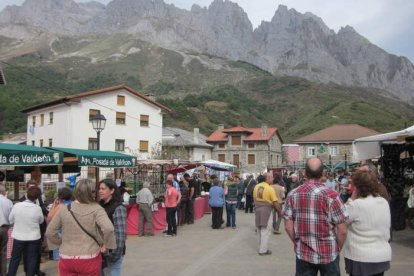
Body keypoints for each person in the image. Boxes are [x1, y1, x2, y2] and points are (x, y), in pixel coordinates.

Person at [283, 157, 348, 276]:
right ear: (323, 173)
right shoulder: (332, 196)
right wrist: (338, 248)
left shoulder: (293, 194)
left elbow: (288, 226)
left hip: (304, 252)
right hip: (329, 253)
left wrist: (296, 243)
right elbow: (342, 230)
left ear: (304, 173)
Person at [46, 179, 116, 276]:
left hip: (67, 257)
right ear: (91, 192)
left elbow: (50, 232)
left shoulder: (64, 209)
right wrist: (106, 245)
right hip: (89, 257)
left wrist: (61, 242)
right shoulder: (97, 209)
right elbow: (109, 229)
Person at [344, 170, 392, 276]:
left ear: (357, 187)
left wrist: (352, 198)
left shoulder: (356, 205)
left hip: (361, 257)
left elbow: (342, 218)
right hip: (381, 255)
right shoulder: (383, 202)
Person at [7, 186, 44, 276]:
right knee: (32, 258)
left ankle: (11, 274)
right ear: (37, 197)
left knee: (15, 258)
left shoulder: (17, 205)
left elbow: (10, 220)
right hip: (33, 237)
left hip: (19, 236)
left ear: (26, 194)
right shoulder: (37, 208)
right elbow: (41, 221)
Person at [99, 179, 127, 276]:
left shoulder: (118, 208)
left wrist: (114, 255)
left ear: (112, 191)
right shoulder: (100, 206)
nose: (100, 191)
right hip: (101, 253)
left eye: (103, 189)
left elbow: (120, 235)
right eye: (99, 189)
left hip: (112, 254)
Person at [19, 180, 48, 276]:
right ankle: (28, 270)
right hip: (28, 228)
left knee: (38, 250)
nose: (32, 189)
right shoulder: (22, 199)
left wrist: (46, 211)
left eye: (34, 187)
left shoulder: (39, 197)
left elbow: (43, 209)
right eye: (31, 187)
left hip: (39, 227)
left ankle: (37, 269)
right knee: (27, 252)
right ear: (27, 188)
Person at [253, 172, 282, 256]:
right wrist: (280, 212)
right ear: (267, 178)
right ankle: (263, 250)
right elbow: (275, 203)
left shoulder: (256, 187)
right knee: (265, 230)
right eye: (271, 177)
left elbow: (254, 199)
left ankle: (261, 247)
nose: (273, 179)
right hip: (266, 210)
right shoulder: (269, 189)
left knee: (259, 229)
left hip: (258, 209)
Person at [46, 187, 73, 261]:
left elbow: (49, 217)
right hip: (71, 235)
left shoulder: (60, 206)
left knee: (60, 260)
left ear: (60, 196)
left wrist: (54, 205)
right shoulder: (73, 204)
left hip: (61, 234)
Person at [0, 184, 13, 276]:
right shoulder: (8, 202)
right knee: (2, 252)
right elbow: (11, 218)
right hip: (4, 229)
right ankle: (3, 273)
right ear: (3, 192)